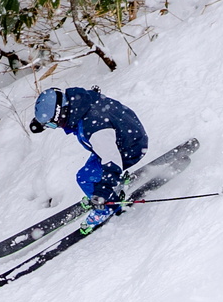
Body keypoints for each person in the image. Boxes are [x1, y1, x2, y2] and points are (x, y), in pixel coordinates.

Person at [30, 86, 148, 227]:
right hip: (128, 136)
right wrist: (41, 122)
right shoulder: (80, 103)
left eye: (52, 124)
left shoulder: (94, 128)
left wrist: (102, 192)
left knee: (85, 178)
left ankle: (107, 206)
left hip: (129, 149)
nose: (56, 127)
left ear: (61, 113)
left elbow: (112, 160)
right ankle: (108, 185)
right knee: (95, 171)